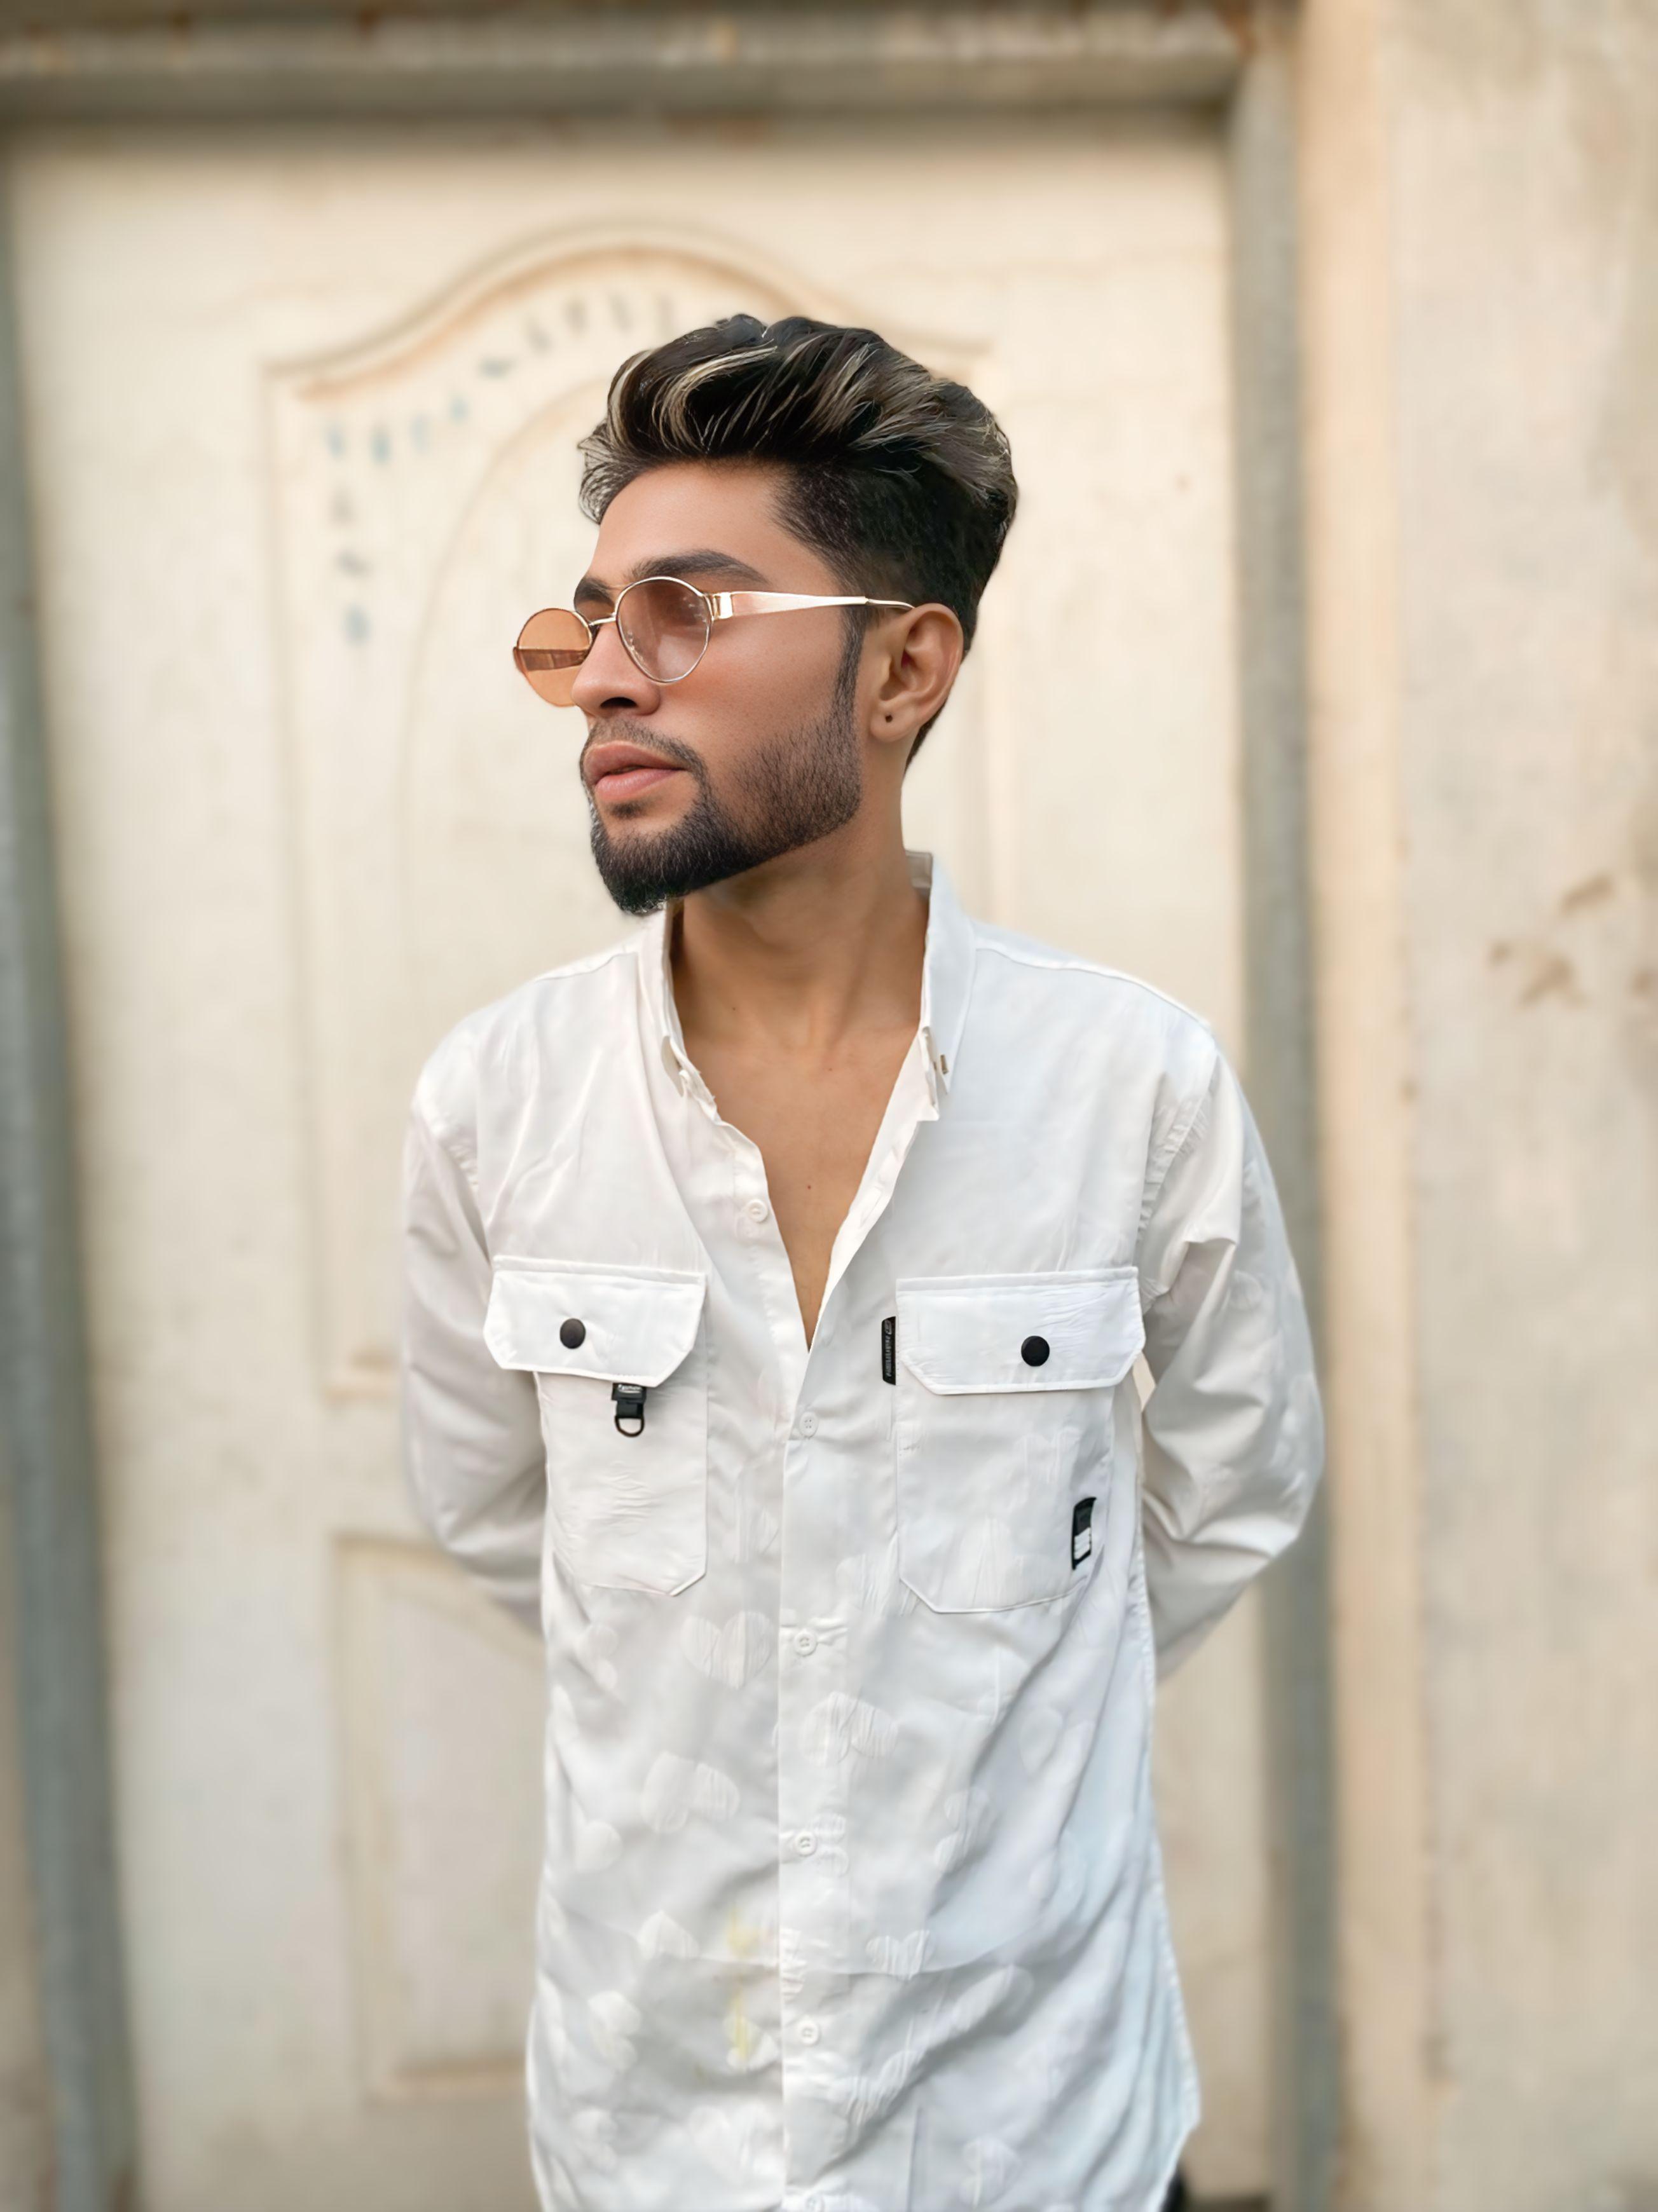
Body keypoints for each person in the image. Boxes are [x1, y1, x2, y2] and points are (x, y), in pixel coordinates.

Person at [399, 315, 1323, 2212]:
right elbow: (497, 1516)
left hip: (1038, 2126)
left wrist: (995, 1686)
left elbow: (1234, 1490)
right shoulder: (499, 1106)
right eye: (590, 622)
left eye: (686, 609)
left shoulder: (1127, 1088)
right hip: (656, 2129)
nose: (605, 679)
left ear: (904, 667)